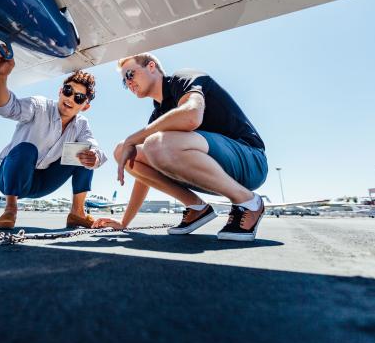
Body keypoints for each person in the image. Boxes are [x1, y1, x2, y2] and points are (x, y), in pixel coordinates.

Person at [93, 53, 268, 241]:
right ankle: (196, 207)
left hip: (250, 161)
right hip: (212, 174)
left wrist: (133, 139)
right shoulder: (158, 116)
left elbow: (192, 115)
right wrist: (124, 222)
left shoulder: (183, 78)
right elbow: (143, 176)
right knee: (123, 152)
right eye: (124, 82)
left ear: (151, 66)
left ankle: (249, 202)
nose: (128, 83)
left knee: (152, 143)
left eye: (130, 75)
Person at [0, 50, 107, 229]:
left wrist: (94, 157)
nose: (70, 98)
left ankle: (77, 213)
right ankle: (10, 209)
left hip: (40, 183)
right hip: (9, 178)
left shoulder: (81, 124)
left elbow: (96, 150)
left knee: (85, 153)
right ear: (60, 91)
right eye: (68, 91)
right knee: (26, 149)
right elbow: (6, 108)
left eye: (79, 97)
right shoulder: (39, 106)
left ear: (85, 106)